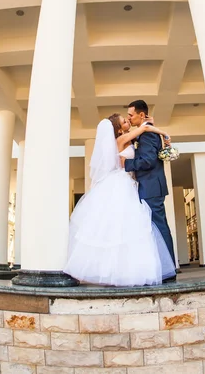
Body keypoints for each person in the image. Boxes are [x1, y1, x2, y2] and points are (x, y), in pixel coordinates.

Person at [63, 114, 176, 286]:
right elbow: (144, 128)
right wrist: (163, 132)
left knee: (126, 228)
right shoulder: (122, 139)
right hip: (121, 183)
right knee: (125, 227)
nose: (128, 121)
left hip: (128, 182)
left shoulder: (126, 138)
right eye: (124, 121)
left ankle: (126, 270)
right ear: (118, 128)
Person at [123, 100, 177, 282]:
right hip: (150, 185)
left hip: (151, 186)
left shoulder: (148, 135)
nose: (129, 118)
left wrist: (127, 164)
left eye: (131, 115)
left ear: (141, 114)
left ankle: (168, 270)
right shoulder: (145, 132)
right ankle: (164, 268)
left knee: (159, 227)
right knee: (155, 227)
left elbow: (147, 161)